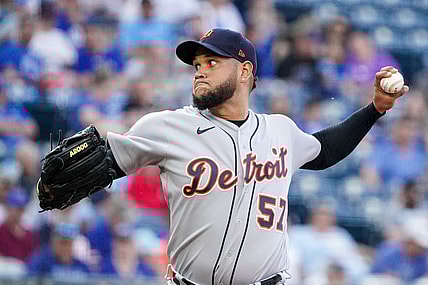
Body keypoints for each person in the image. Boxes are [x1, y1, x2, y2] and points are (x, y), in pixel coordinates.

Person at [42, 28, 409, 285]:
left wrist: (374, 109)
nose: (200, 70)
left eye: (212, 62)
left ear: (245, 71)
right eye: (197, 64)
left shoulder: (279, 129)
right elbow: (102, 161)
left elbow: (325, 150)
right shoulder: (166, 127)